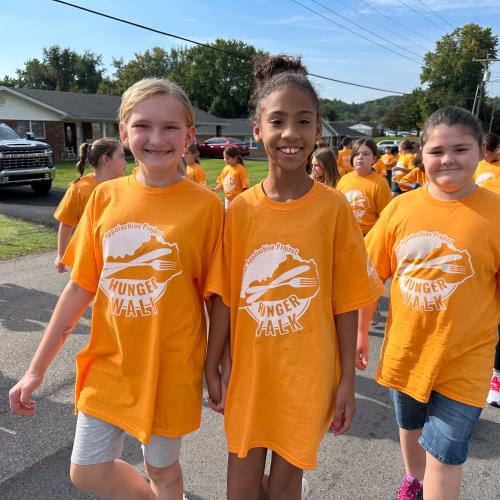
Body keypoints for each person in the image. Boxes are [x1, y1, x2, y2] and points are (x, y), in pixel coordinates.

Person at [9, 78, 224, 500]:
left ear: (189, 136)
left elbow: (216, 300)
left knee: (162, 469)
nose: (156, 139)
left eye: (171, 128)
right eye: (143, 126)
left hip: (171, 367)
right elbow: (78, 289)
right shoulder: (105, 198)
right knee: (86, 470)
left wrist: (218, 367)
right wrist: (36, 368)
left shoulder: (207, 206)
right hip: (109, 362)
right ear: (123, 133)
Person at [205, 54, 384, 500]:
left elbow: (345, 300)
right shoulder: (240, 210)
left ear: (318, 130)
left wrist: (345, 380)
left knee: (285, 487)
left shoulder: (334, 209)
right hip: (250, 373)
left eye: (303, 121)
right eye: (278, 121)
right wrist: (212, 361)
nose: (290, 134)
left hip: (309, 376)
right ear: (257, 129)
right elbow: (226, 295)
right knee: (240, 490)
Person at [356, 106, 500, 500]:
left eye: (461, 148)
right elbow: (372, 277)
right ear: (422, 155)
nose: (448, 159)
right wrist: (360, 332)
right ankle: (412, 480)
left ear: (479, 151)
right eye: (437, 151)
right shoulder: (401, 208)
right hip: (406, 349)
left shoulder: (496, 214)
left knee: (446, 453)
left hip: (465, 358)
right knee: (410, 426)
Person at [53, 139, 126, 273]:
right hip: (88, 257)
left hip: (118, 255)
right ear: (106, 159)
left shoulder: (125, 185)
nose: (125, 162)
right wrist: (61, 255)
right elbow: (66, 223)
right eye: (121, 156)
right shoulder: (80, 188)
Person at [336, 138, 392, 236]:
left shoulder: (380, 183)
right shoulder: (344, 179)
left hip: (368, 236)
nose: (360, 157)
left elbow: (385, 219)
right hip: (344, 234)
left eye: (366, 154)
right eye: (357, 154)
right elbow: (337, 209)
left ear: (374, 158)